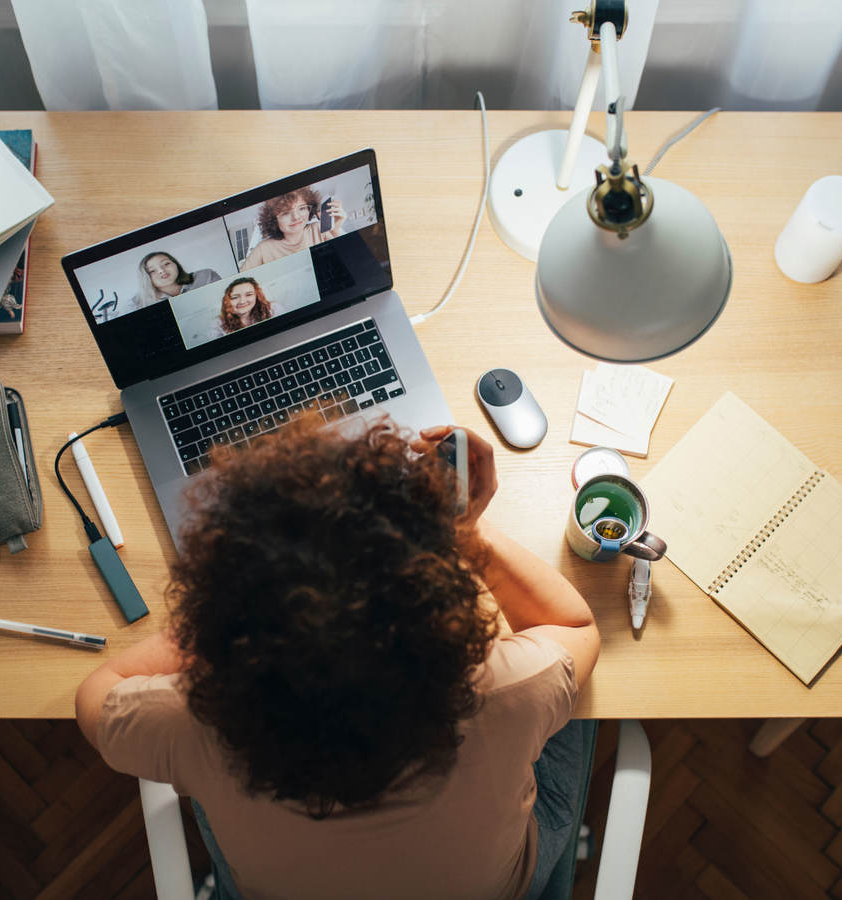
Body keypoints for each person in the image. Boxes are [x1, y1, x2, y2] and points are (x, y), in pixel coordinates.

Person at [76, 417, 601, 900]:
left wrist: (221, 615)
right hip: (495, 888)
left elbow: (98, 692)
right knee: (576, 703)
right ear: (439, 614)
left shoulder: (190, 722)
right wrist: (462, 531)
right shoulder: (506, 690)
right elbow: (575, 626)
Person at [240, 187, 347, 271]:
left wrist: (336, 229)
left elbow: (352, 260)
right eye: (286, 213)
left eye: (302, 208)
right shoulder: (263, 249)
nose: (296, 217)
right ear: (273, 220)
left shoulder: (319, 229)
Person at [118, 251, 220, 318]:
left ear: (176, 264)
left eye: (166, 264)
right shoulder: (135, 304)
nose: (161, 270)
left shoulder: (206, 275)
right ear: (146, 278)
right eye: (152, 270)